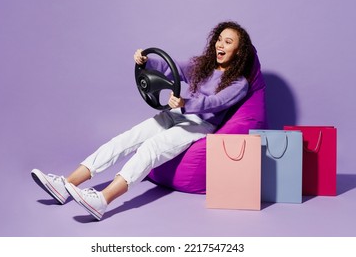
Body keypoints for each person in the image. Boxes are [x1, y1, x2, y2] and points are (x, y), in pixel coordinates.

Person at [31, 21, 256, 221]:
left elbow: (216, 102)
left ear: (238, 51)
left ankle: (102, 200)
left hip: (200, 125)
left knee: (152, 147)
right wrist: (147, 62)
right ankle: (66, 184)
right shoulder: (204, 65)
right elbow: (174, 67)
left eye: (227, 42)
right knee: (127, 138)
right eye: (219, 39)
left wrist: (185, 103)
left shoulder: (239, 83)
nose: (220, 45)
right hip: (177, 113)